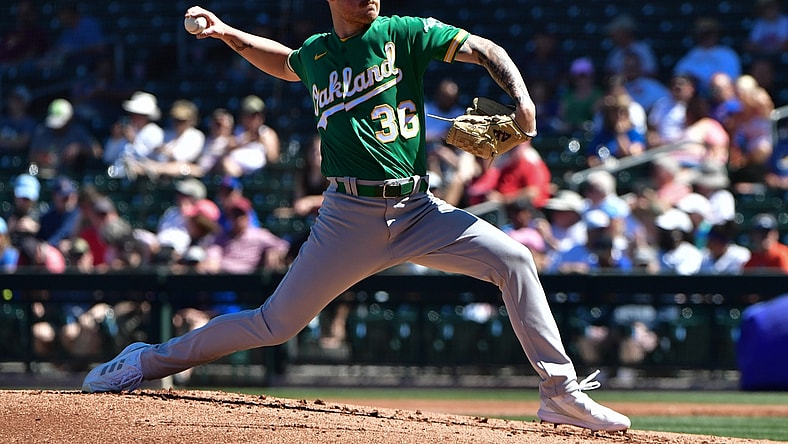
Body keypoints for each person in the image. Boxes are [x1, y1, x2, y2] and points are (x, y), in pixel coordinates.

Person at [82, 2, 631, 432]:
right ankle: (146, 361)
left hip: (419, 209)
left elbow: (484, 47)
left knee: (514, 259)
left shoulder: (404, 32)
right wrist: (227, 32)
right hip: (347, 216)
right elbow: (284, 61)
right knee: (274, 325)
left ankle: (560, 393)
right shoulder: (319, 53)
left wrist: (521, 97)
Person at [28, 98, 102, 178]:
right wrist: (42, 157)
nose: (56, 128)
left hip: (72, 177)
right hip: (45, 175)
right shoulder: (42, 131)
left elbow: (97, 152)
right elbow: (31, 156)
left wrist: (79, 148)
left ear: (69, 120)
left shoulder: (78, 131)